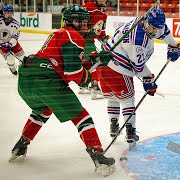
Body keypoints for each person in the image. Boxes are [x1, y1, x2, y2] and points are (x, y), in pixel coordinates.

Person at [9, 5, 115, 176]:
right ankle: (98, 157)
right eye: (84, 22)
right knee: (83, 118)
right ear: (74, 21)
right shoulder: (73, 36)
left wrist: (96, 60)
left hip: (27, 81)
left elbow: (66, 63)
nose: (87, 25)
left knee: (41, 111)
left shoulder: (61, 34)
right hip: (47, 82)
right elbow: (73, 72)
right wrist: (87, 79)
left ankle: (21, 146)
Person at [98, 8, 180, 149]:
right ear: (147, 21)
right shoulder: (138, 40)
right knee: (127, 100)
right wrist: (149, 81)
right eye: (152, 27)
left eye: (156, 28)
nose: (153, 31)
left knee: (112, 97)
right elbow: (138, 68)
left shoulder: (143, 20)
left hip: (102, 63)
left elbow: (164, 31)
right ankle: (130, 132)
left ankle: (113, 127)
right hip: (117, 70)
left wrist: (173, 45)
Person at [82, 0, 108, 100]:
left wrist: (105, 39)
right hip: (82, 38)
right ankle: (95, 87)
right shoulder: (89, 6)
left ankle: (83, 86)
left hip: (88, 40)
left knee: (89, 61)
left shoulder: (103, 13)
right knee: (95, 60)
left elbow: (100, 32)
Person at [0, 5, 25, 75]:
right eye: (7, 13)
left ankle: (22, 70)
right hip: (1, 45)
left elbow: (15, 36)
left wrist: (10, 44)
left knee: (22, 57)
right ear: (4, 13)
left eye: (11, 13)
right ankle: (12, 68)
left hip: (13, 43)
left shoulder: (16, 24)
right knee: (10, 58)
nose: (9, 14)